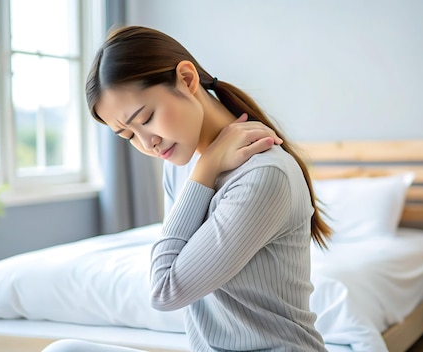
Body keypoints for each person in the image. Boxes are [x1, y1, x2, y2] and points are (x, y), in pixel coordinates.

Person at [43, 25, 331, 352]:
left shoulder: (264, 175)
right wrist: (204, 169)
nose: (147, 142)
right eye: (128, 136)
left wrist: (205, 170)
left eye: (147, 117)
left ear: (187, 79)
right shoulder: (178, 166)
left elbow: (166, 291)